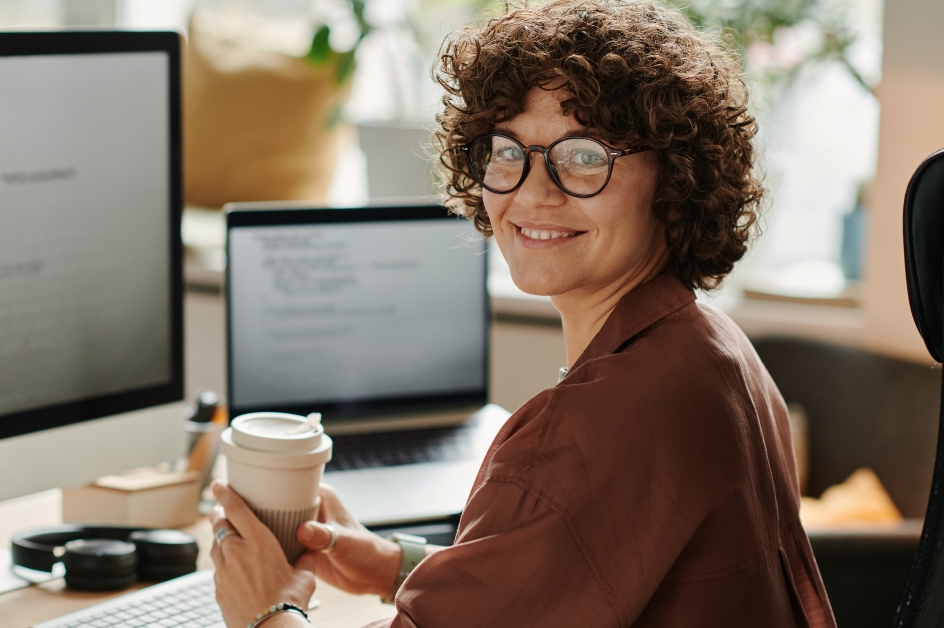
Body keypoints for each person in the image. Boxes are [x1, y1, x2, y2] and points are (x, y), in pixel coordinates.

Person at [208, 0, 836, 626]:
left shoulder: (592, 433)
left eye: (586, 155)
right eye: (507, 151)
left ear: (674, 181)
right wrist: (396, 568)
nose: (534, 192)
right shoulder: (712, 350)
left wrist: (267, 608)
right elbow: (595, 570)